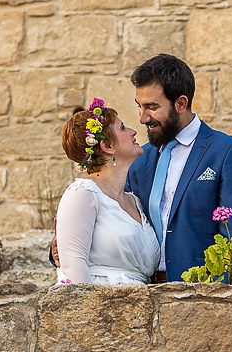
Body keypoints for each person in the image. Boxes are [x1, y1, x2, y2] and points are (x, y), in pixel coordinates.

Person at [127, 54, 232, 281]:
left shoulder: (227, 151)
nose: (143, 118)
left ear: (181, 104)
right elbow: (113, 214)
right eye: (140, 106)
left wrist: (219, 296)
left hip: (201, 295)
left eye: (152, 107)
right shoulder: (138, 158)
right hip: (141, 291)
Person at [54, 99, 160, 284]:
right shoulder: (83, 194)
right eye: (123, 128)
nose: (133, 131)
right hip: (103, 306)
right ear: (107, 146)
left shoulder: (135, 201)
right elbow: (73, 267)